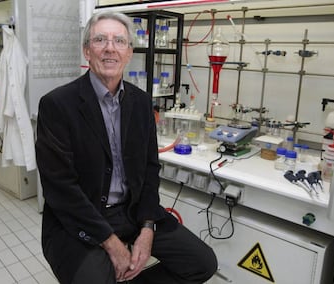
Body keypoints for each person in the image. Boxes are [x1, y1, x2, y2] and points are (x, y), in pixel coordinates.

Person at [35, 11, 218, 284]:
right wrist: (110, 242)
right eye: (100, 40)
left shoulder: (141, 103)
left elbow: (149, 169)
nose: (110, 48)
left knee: (202, 263)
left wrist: (147, 227)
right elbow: (60, 188)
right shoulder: (58, 105)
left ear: (129, 52)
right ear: (87, 50)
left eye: (119, 41)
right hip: (80, 218)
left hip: (132, 213)